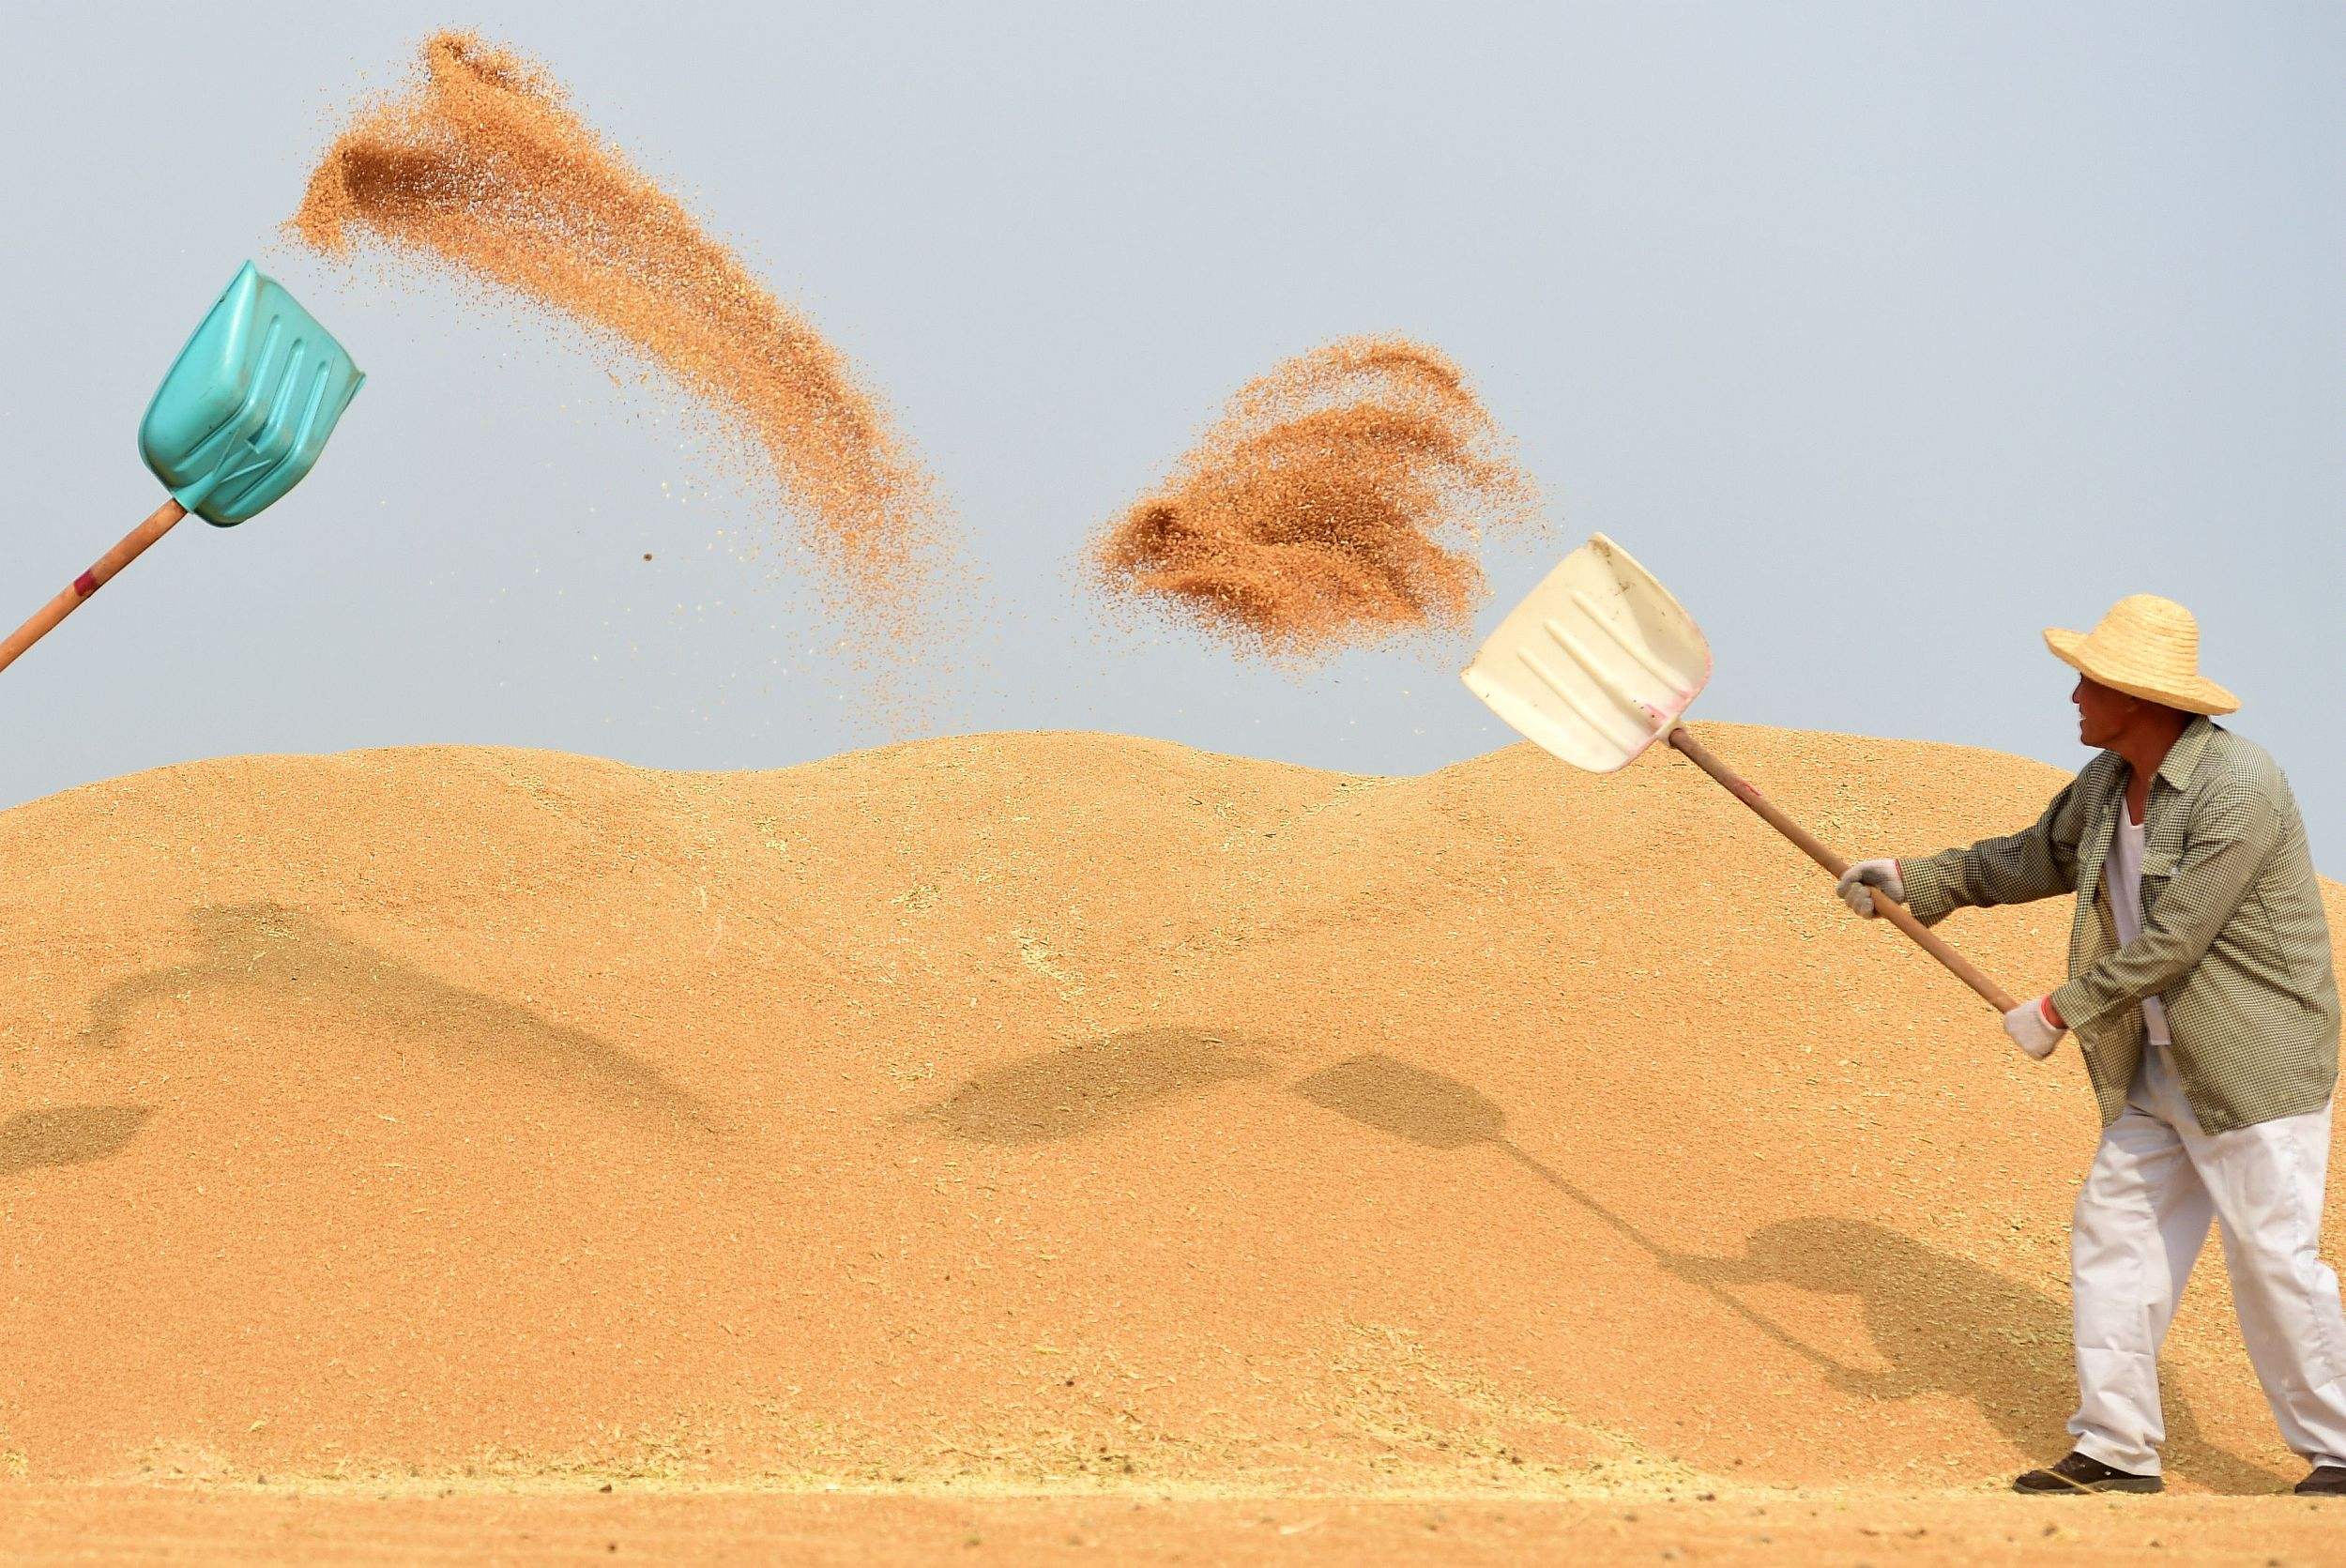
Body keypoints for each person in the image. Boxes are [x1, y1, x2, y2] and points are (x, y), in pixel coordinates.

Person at [1836, 593, 2346, 1497]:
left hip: (2254, 1066)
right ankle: (2117, 1447)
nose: (2074, 696)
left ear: (2137, 697)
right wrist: (1914, 878)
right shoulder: (2108, 783)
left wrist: (2060, 1009)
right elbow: (2032, 855)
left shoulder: (2241, 786)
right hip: (2154, 1061)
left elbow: (2178, 936)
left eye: (2088, 682)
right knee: (2115, 1238)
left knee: (2272, 1259)